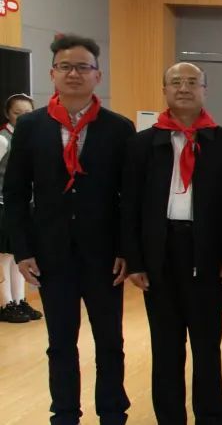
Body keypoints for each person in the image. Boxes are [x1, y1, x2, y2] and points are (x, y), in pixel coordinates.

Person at [4, 34, 136, 424]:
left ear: (98, 75)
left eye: (82, 67)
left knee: (110, 342)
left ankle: (113, 413)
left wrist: (126, 250)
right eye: (65, 67)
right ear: (52, 74)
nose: (73, 73)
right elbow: (15, 193)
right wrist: (23, 250)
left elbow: (129, 196)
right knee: (60, 343)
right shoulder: (31, 126)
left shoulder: (118, 128)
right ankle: (64, 414)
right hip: (51, 253)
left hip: (104, 255)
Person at [121, 62, 222, 424]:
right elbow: (129, 205)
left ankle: (211, 417)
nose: (184, 88)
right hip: (159, 253)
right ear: (164, 90)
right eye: (176, 82)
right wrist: (135, 260)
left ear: (205, 90)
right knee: (165, 347)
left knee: (207, 347)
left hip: (206, 254)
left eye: (192, 82)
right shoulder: (143, 143)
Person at [0, 93, 39, 323]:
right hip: (3, 204)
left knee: (20, 255)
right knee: (4, 257)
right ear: (8, 114)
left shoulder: (29, 139)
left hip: (25, 204)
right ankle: (6, 303)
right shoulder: (3, 139)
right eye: (17, 113)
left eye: (27, 113)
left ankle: (19, 300)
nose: (23, 118)